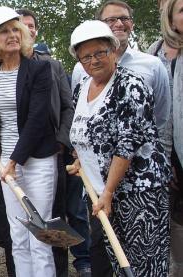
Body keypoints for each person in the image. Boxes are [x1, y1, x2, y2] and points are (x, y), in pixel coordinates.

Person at [67, 20, 172, 276]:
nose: (94, 61)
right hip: (102, 193)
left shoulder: (131, 85)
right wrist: (81, 158)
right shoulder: (82, 87)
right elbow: (85, 134)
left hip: (138, 194)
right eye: (86, 57)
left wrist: (109, 192)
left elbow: (127, 144)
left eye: (100, 53)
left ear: (113, 50)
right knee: (119, 263)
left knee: (144, 267)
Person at [0, 6, 58, 276]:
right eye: (4, 31)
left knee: (39, 230)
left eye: (16, 29)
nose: (12, 35)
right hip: (7, 164)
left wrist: (13, 160)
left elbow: (37, 119)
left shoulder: (39, 69)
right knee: (17, 233)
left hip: (37, 160)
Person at [17, 8, 90, 277]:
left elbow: (68, 107)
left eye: (32, 25)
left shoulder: (54, 65)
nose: (29, 29)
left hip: (52, 154)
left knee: (55, 217)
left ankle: (60, 270)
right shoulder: (4, 70)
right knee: (23, 220)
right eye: (22, 25)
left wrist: (60, 142)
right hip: (17, 157)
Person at [72, 0, 172, 158]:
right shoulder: (80, 70)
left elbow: (161, 118)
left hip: (142, 166)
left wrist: (164, 157)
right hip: (95, 164)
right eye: (111, 20)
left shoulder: (153, 65)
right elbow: (80, 114)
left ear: (132, 24)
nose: (119, 24)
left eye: (125, 18)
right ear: (100, 25)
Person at [149, 0, 183, 275]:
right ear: (170, 19)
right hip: (165, 151)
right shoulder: (154, 52)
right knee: (172, 218)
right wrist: (162, 155)